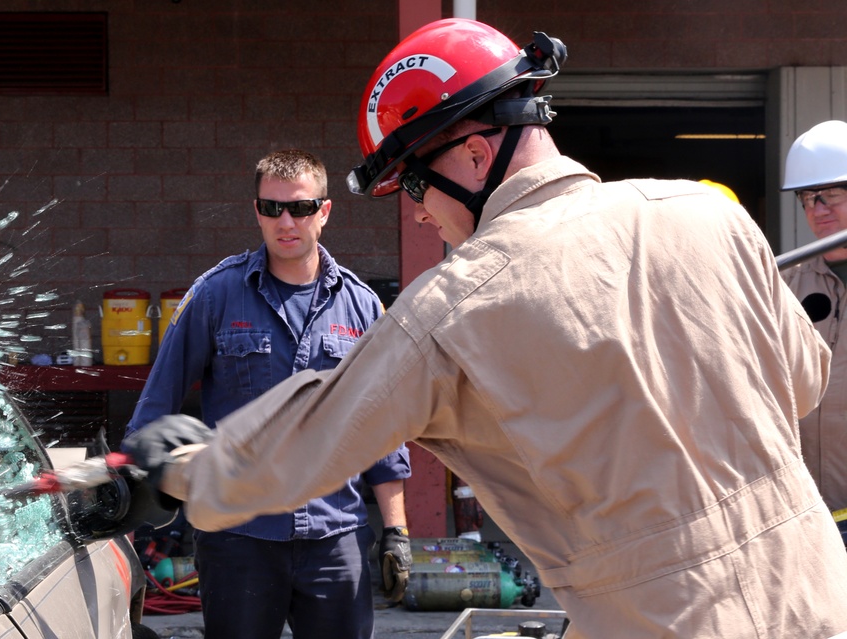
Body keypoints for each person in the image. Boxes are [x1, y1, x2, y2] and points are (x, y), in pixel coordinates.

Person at [123, 19, 847, 638]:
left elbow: (306, 443)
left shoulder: (453, 308)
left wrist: (174, 468)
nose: (414, 211)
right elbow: (806, 380)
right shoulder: (707, 213)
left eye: (411, 180)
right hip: (821, 599)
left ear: (476, 151)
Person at [126, 148, 412, 639]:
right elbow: (154, 410)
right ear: (256, 211)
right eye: (271, 207)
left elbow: (384, 432)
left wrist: (396, 530)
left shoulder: (362, 307)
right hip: (238, 539)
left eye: (300, 208)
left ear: (324, 211)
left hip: (334, 538)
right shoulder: (216, 295)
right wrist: (137, 510)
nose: (286, 221)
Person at [781, 119, 847, 512]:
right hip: (806, 512)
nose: (817, 210)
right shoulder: (783, 284)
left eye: (831, 196)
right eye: (807, 197)